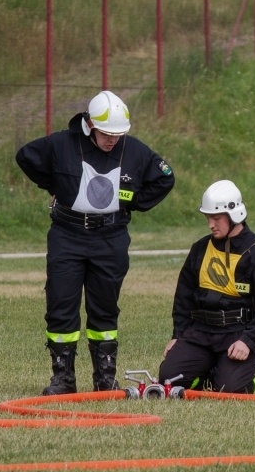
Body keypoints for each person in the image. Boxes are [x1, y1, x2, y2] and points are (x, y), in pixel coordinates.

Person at [16, 90, 175, 395]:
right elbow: (26, 156)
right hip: (67, 235)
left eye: (118, 134)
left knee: (104, 309)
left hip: (110, 238)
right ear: (89, 124)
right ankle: (63, 379)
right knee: (61, 304)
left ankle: (105, 378)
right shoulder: (62, 144)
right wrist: (56, 185)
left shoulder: (135, 151)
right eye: (106, 134)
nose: (112, 140)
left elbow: (165, 177)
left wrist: (134, 202)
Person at [158, 180, 255, 394]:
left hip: (237, 334)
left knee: (231, 390)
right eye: (208, 218)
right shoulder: (199, 249)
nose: (210, 224)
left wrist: (248, 341)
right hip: (200, 333)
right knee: (169, 379)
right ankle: (214, 371)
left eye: (216, 218)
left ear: (235, 215)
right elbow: (183, 298)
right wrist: (178, 335)